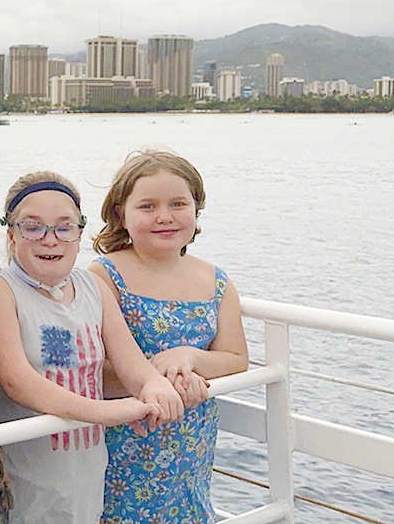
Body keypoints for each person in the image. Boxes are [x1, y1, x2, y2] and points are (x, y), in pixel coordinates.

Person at [0, 171, 184, 524]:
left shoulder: (92, 286)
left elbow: (132, 363)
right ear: (11, 236)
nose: (50, 239)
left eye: (64, 227)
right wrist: (108, 412)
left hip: (86, 474)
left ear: (79, 234)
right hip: (21, 483)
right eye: (33, 227)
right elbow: (17, 381)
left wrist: (154, 385)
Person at [91, 149, 248, 524]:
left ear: (196, 209)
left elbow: (235, 358)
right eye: (147, 206)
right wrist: (161, 380)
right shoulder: (104, 277)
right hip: (125, 439)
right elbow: (94, 369)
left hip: (190, 443)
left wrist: (189, 359)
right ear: (121, 213)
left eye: (178, 204)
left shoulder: (216, 281)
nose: (164, 216)